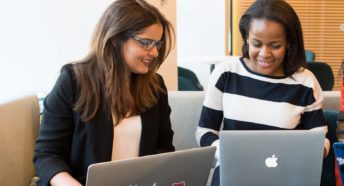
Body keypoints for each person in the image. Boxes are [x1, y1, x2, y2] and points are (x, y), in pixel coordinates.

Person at [33, 0, 175, 185]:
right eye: (146, 42)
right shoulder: (73, 80)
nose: (155, 52)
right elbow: (47, 155)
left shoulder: (155, 86)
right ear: (115, 38)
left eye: (157, 44)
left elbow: (163, 149)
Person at [195, 0, 330, 185]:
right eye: (256, 44)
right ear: (246, 39)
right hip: (232, 174)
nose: (264, 53)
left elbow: (320, 139)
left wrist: (314, 152)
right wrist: (225, 151)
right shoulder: (226, 73)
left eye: (275, 46)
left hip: (286, 176)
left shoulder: (305, 82)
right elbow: (205, 132)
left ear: (289, 43)